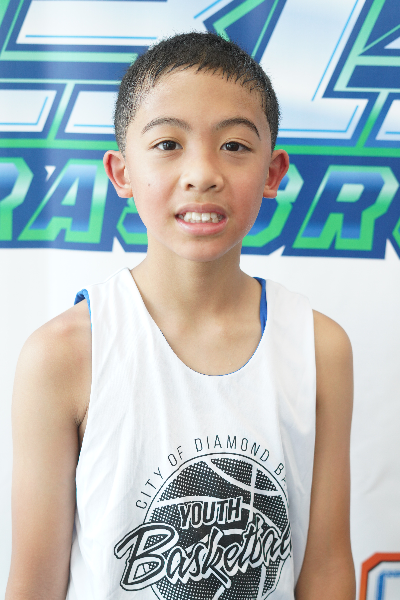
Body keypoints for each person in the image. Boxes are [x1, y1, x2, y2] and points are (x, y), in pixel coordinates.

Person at [6, 32, 355, 600]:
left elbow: (327, 569)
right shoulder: (63, 354)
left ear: (273, 173)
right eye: (168, 143)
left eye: (234, 145)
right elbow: (35, 584)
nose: (202, 173)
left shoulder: (319, 347)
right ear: (121, 173)